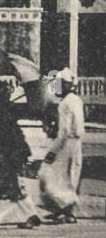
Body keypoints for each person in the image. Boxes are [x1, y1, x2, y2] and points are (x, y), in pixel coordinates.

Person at [0, 81, 41, 230]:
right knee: (6, 188)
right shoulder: (7, 110)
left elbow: (1, 137)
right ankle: (31, 215)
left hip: (6, 156)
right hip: (10, 155)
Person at [39, 69, 85, 224]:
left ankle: (64, 210)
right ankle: (66, 211)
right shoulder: (76, 100)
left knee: (57, 176)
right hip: (76, 143)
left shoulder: (64, 103)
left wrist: (53, 151)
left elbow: (64, 131)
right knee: (72, 175)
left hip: (66, 143)